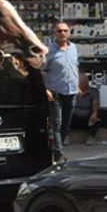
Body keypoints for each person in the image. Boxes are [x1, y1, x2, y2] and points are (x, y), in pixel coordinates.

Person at [43, 21, 79, 162]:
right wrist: (46, 89)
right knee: (57, 123)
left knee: (66, 124)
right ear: (54, 34)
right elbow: (42, 72)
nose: (62, 33)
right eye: (59, 31)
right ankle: (59, 153)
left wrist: (78, 85)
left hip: (71, 91)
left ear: (69, 33)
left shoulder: (74, 48)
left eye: (65, 31)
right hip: (55, 91)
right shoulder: (49, 51)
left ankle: (59, 148)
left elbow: (75, 67)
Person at [71, 73, 101, 144]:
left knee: (98, 115)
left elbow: (95, 103)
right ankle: (65, 136)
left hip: (87, 118)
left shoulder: (94, 91)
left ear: (86, 83)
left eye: (81, 83)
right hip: (74, 117)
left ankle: (91, 137)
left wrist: (94, 113)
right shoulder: (73, 91)